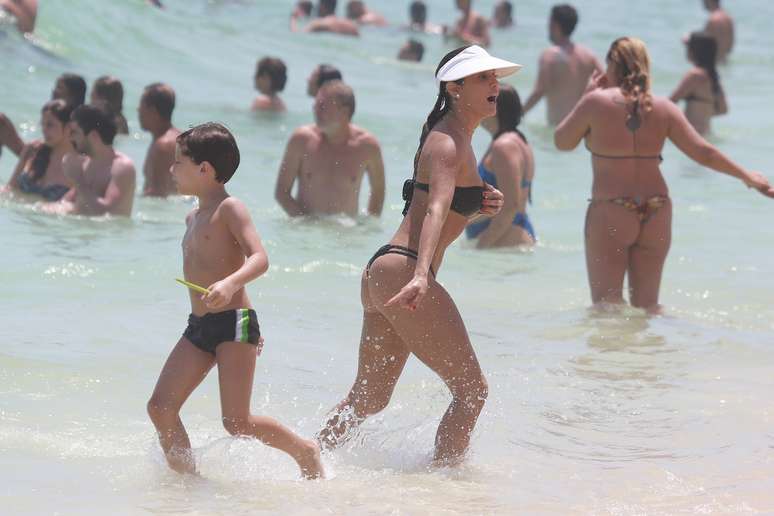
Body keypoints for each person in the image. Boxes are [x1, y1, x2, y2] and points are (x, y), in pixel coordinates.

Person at [317, 45, 515, 465]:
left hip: (384, 271)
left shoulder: (456, 136)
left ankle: (312, 461)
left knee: (369, 399)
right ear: (454, 87)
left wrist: (480, 201)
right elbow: (438, 208)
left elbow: (439, 204)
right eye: (483, 77)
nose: (495, 83)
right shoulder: (447, 140)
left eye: (495, 76)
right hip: (404, 269)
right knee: (472, 391)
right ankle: (444, 488)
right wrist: (422, 275)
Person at [146, 123, 324, 479]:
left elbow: (259, 258)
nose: (171, 169)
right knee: (161, 406)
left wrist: (229, 286)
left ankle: (305, 451)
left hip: (234, 323)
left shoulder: (231, 209)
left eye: (178, 162)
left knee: (236, 421)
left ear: (204, 169)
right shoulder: (192, 216)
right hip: (200, 326)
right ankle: (187, 484)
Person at [554, 37, 773, 312]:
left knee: (606, 306)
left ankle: (616, 357)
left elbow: (561, 142)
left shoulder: (595, 103)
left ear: (612, 63)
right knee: (649, 306)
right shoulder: (664, 107)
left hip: (612, 208)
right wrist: (747, 176)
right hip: (657, 208)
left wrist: (586, 96)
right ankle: (658, 352)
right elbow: (703, 152)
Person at [275, 80, 385, 217]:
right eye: (315, 105)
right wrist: (305, 225)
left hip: (345, 233)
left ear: (344, 111)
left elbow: (378, 191)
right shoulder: (301, 140)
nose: (315, 110)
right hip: (305, 231)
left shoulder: (368, 146)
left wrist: (366, 229)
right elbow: (282, 192)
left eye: (322, 106)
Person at [466, 84, 535, 247]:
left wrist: (482, 244)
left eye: (484, 101)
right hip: (507, 238)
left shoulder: (504, 146)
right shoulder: (515, 140)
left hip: (503, 239)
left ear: (496, 109)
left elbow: (510, 205)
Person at [47, 104, 136, 216]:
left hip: (109, 233)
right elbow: (67, 202)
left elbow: (106, 212)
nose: (70, 138)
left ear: (94, 136)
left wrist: (78, 179)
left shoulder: (122, 167)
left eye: (75, 132)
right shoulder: (87, 163)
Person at [523, 4, 603, 125]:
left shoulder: (549, 55)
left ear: (554, 25)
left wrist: (518, 114)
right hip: (581, 128)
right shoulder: (588, 56)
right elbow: (607, 83)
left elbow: (539, 91)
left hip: (558, 129)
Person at [1, 73, 86, 159]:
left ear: (72, 96)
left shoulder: (75, 123)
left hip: (49, 163)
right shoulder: (54, 116)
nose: (54, 91)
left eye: (59, 87)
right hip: (42, 159)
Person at [3, 100, 75, 201]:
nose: (44, 129)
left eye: (50, 125)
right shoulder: (33, 152)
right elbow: (9, 189)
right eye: (43, 124)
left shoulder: (79, 165)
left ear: (68, 128)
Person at [670, 32, 727, 135]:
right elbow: (723, 109)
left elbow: (672, 101)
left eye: (689, 47)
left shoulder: (695, 75)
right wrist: (702, 113)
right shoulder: (713, 76)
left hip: (691, 133)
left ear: (695, 51)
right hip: (706, 132)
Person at [138, 83, 180, 197]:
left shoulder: (162, 146)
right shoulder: (178, 138)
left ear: (153, 111)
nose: (138, 110)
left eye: (141, 106)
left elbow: (157, 195)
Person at [291, 0, 359, 36]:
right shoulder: (351, 25)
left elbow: (298, 34)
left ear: (322, 7)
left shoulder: (319, 23)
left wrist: (293, 19)